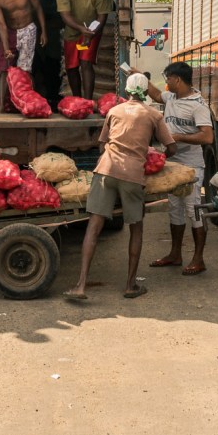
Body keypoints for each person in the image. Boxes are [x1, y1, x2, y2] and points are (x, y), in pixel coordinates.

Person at [65, 72, 177, 301]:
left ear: (126, 92)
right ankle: (130, 285)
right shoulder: (153, 115)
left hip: (106, 170)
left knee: (94, 227)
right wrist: (157, 155)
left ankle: (81, 285)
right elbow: (171, 147)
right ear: (146, 93)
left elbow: (101, 145)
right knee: (136, 228)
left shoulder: (114, 112)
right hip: (133, 175)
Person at [146, 62, 214, 276]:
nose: (165, 83)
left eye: (167, 79)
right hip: (172, 165)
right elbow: (157, 94)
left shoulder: (198, 105)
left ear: (177, 79)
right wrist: (139, 78)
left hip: (191, 167)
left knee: (193, 210)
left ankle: (198, 259)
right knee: (175, 210)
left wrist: (179, 137)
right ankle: (175, 254)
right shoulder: (172, 98)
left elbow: (207, 136)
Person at [0, 0, 47, 112]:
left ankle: (28, 103)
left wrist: (44, 31)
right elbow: (1, 25)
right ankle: (1, 106)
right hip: (9, 31)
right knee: (4, 68)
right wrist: (7, 47)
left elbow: (39, 8)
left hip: (28, 29)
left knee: (25, 69)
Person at [56, 0, 113, 99]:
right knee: (71, 67)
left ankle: (87, 101)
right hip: (73, 32)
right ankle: (77, 99)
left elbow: (102, 17)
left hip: (92, 31)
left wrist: (90, 34)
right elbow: (65, 15)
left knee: (85, 63)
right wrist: (81, 29)